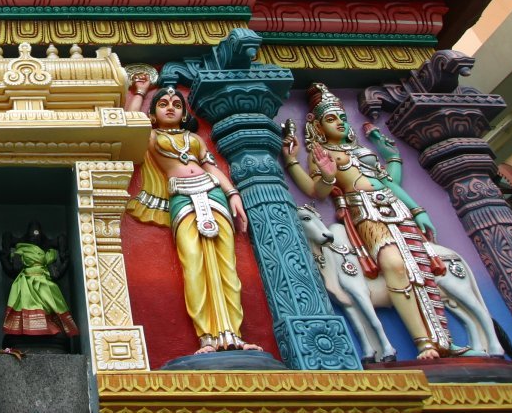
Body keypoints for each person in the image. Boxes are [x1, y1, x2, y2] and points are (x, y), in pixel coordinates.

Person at [281, 83, 460, 360]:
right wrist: (296, 162)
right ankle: (423, 341)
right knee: (395, 266)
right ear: (315, 123)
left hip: (396, 209)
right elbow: (316, 192)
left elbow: (390, 183)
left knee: (421, 269)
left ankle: (442, 339)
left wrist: (412, 199)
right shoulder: (323, 154)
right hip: (364, 214)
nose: (339, 122)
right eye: (331, 119)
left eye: (341, 116)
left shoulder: (360, 150)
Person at [125, 77, 260, 353]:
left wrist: (233, 194)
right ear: (152, 114)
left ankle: (233, 333)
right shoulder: (151, 137)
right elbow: (128, 123)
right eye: (162, 104)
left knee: (227, 267)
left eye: (177, 104)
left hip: (213, 195)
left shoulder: (195, 140)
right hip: (181, 198)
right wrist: (139, 92)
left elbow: (211, 169)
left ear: (185, 114)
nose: (171, 108)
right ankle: (207, 336)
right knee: (193, 264)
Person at [0, 222, 78, 343]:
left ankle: (47, 328)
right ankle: (26, 330)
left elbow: (55, 274)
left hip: (44, 283)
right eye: (32, 235)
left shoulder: (47, 255)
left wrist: (65, 262)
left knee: (50, 301)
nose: (35, 238)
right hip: (25, 283)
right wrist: (5, 257)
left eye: (37, 235)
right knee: (25, 304)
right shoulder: (21, 251)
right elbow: (14, 269)